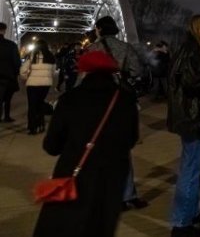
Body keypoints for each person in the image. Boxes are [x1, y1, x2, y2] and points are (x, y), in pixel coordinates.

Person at [33, 51, 139, 237]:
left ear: (83, 71)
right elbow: (131, 139)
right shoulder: (126, 99)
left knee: (64, 225)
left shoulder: (69, 99)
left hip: (75, 173)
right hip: (111, 177)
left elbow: (52, 146)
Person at [167, 15, 200, 237]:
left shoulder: (193, 50)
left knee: (193, 167)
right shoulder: (192, 51)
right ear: (196, 29)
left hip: (192, 115)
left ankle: (193, 211)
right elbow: (193, 84)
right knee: (190, 170)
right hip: (192, 117)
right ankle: (181, 223)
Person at [88, 15, 148, 211]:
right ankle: (128, 194)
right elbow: (137, 72)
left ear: (98, 29)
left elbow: (83, 79)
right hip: (120, 102)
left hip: (98, 104)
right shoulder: (125, 48)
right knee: (123, 151)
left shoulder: (92, 49)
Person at [20, 39, 56, 135]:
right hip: (46, 84)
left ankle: (32, 128)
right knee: (40, 104)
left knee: (32, 106)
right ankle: (41, 125)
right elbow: (53, 72)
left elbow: (23, 70)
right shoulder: (51, 56)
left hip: (32, 84)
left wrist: (25, 78)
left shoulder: (32, 55)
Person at [0, 22, 21, 123]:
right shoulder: (11, 45)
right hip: (7, 77)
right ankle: (6, 116)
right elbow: (17, 62)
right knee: (7, 98)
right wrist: (16, 73)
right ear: (4, 31)